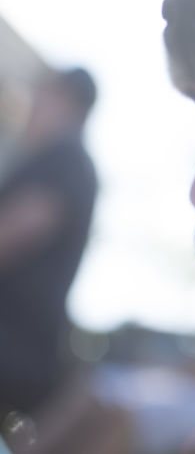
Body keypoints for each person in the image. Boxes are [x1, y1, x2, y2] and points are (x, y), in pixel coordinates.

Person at [0, 68, 97, 419]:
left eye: (38, 96)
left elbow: (20, 229)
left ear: (62, 98)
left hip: (16, 345)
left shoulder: (65, 158)